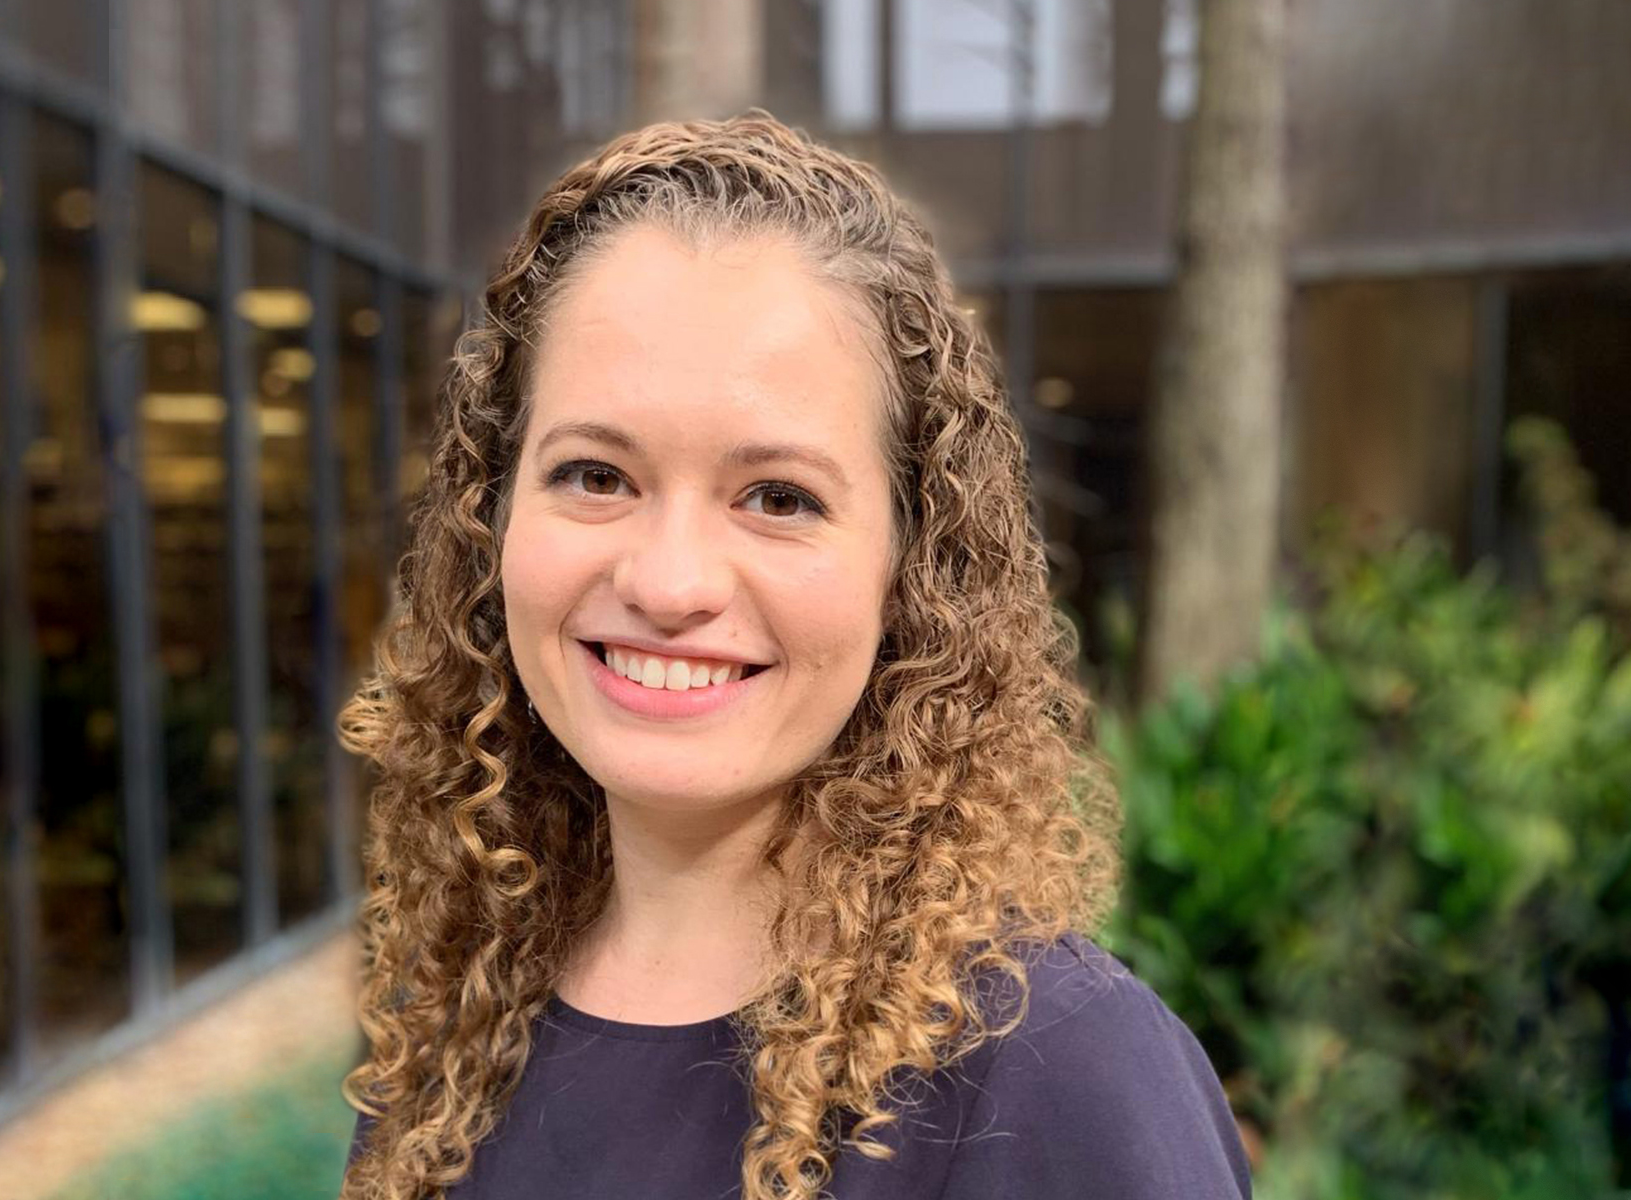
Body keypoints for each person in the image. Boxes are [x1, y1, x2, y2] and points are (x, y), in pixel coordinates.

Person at [336, 113, 1250, 1200]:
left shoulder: (1060, 1078)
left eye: (778, 497)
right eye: (596, 476)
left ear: (913, 566)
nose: (669, 583)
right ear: (492, 519)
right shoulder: (457, 1021)